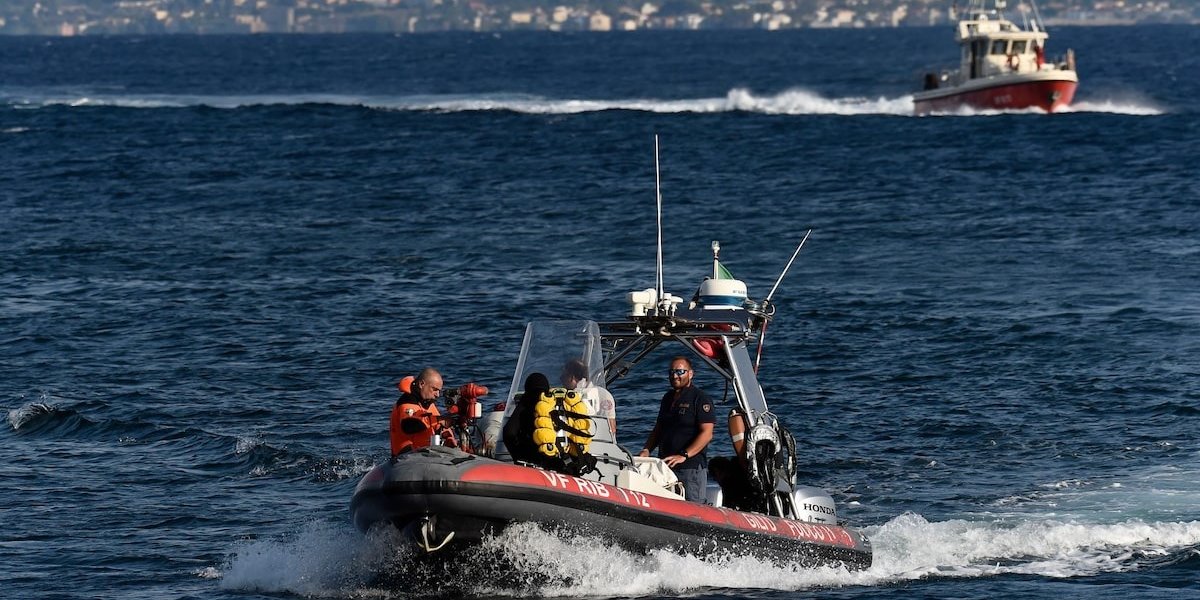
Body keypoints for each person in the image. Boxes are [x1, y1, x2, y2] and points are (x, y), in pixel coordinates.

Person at [638, 357, 715, 503]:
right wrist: (647, 449)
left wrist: (684, 455)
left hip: (689, 467)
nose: (675, 376)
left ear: (690, 374)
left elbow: (707, 433)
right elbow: (659, 428)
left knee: (693, 507)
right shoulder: (667, 398)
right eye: (672, 372)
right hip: (665, 465)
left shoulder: (700, 398)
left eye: (680, 371)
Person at [389, 367, 453, 456]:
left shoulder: (427, 402)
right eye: (434, 389)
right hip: (404, 457)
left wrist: (448, 436)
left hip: (425, 454)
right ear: (422, 384)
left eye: (439, 391)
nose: (438, 395)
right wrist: (438, 420)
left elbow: (437, 424)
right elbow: (409, 426)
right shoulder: (406, 401)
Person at [502, 372, 551, 465]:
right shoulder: (554, 402)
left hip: (531, 461)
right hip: (557, 461)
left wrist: (518, 456)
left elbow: (509, 433)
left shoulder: (525, 402)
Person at [560, 358, 617, 436]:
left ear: (572, 377)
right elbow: (612, 428)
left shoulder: (602, 395)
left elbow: (611, 427)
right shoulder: (604, 394)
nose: (561, 379)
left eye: (564, 376)